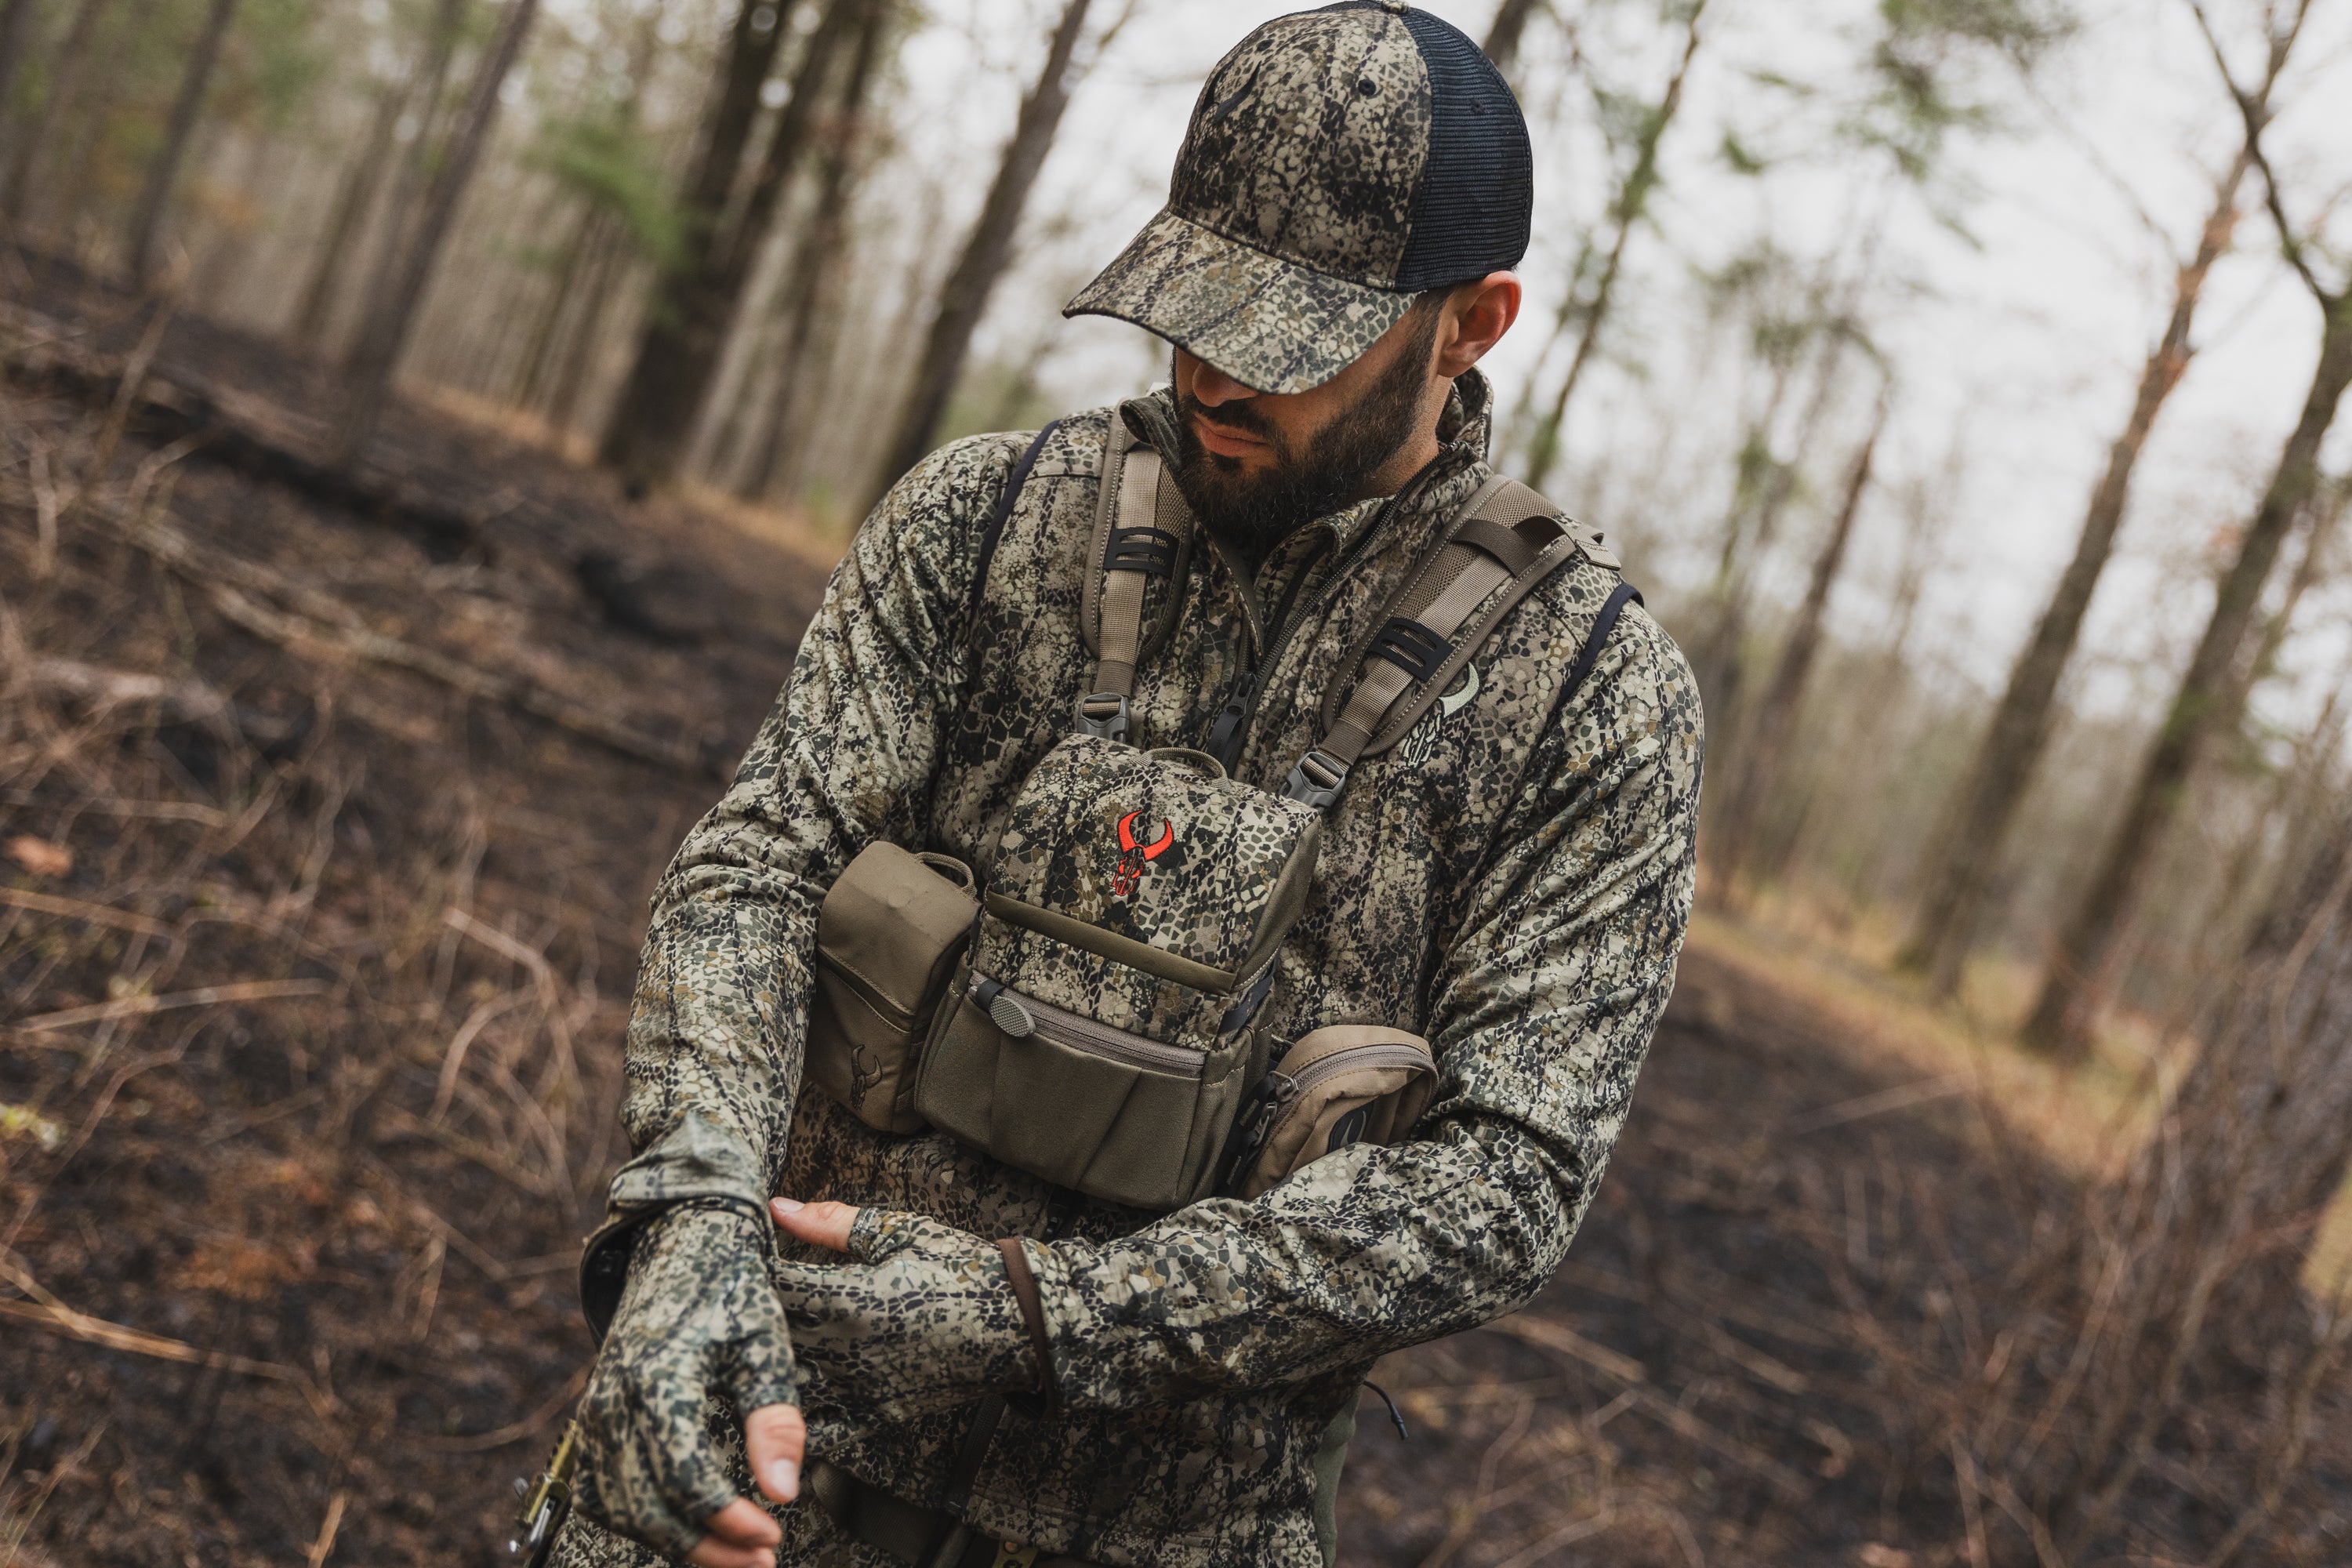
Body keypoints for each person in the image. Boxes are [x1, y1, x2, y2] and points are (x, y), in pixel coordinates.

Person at [550, 5, 1701, 1566]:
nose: (1219, 370)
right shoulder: (987, 518)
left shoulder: (1586, 697)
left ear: (1472, 322)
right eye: (1195, 305)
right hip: (769, 1440)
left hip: (1175, 1525)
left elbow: (1508, 1179)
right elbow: (757, 867)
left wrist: (1038, 1319)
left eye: (1290, 335)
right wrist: (691, 1221)